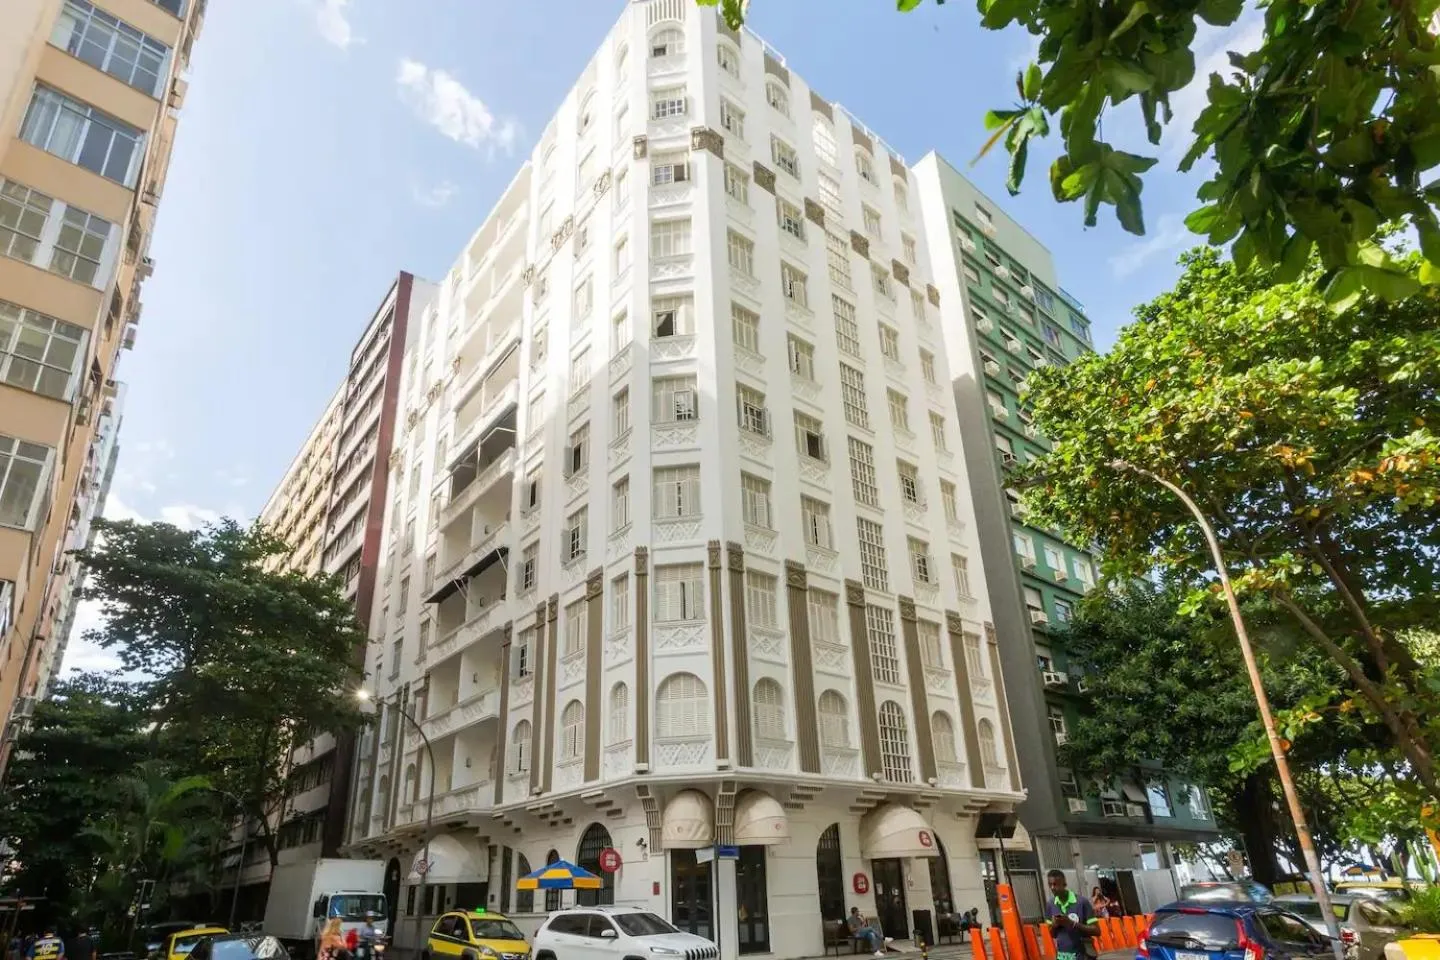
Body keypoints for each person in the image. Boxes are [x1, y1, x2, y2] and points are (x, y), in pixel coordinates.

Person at [1045, 871, 1098, 960]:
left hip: (1082, 955)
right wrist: (1054, 926)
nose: (1052, 888)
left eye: (1055, 884)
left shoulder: (1082, 902)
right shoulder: (1050, 905)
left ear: (1064, 884)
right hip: (1062, 956)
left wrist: (1072, 923)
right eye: (1050, 885)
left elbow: (1096, 931)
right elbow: (1053, 934)